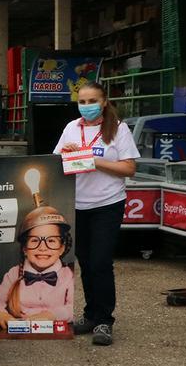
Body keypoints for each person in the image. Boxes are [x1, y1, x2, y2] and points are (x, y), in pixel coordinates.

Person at [54, 82, 139, 346]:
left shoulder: (118, 129)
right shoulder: (71, 128)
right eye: (82, 101)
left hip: (107, 204)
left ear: (104, 102)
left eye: (92, 101)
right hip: (78, 204)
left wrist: (93, 159)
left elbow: (129, 169)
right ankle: (90, 315)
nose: (87, 106)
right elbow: (55, 161)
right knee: (86, 262)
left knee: (101, 261)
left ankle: (104, 320)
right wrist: (67, 155)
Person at [0, 206, 75, 329]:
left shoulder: (69, 276)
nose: (42, 247)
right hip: (18, 338)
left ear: (61, 248)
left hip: (58, 338)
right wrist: (0, 313)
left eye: (51, 241)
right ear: (25, 248)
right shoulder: (14, 274)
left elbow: (74, 308)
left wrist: (52, 315)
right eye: (35, 240)